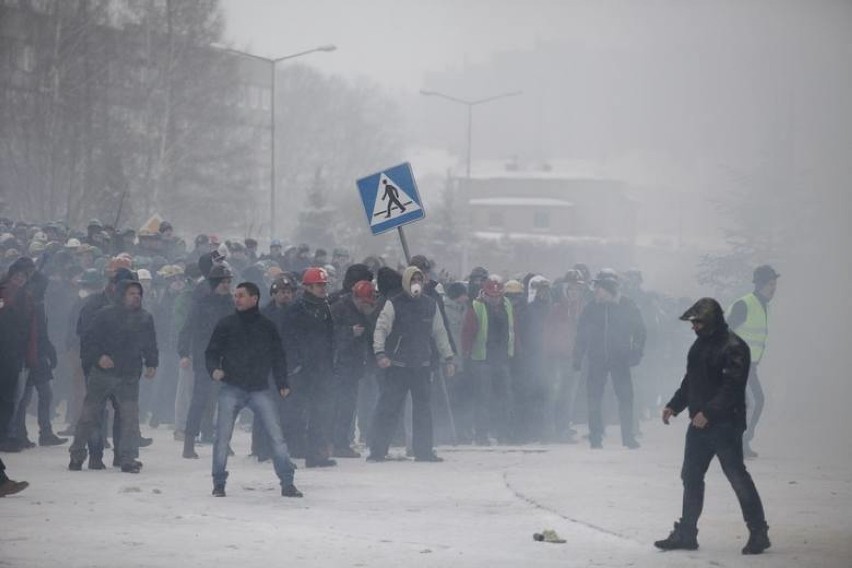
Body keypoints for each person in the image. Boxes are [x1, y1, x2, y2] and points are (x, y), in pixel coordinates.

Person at [655, 298, 770, 555]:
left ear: (710, 321)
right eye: (693, 322)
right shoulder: (699, 346)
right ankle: (686, 533)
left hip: (726, 425)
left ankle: (758, 532)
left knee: (737, 476)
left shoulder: (734, 347)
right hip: (699, 424)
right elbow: (691, 381)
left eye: (697, 322)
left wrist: (709, 412)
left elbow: (732, 387)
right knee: (691, 476)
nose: (693, 327)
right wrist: (674, 405)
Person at [204, 282, 301, 498]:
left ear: (254, 299)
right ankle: (218, 483)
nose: (236, 299)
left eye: (241, 295)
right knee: (222, 438)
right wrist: (214, 370)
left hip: (259, 388)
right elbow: (211, 352)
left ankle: (287, 483)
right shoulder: (226, 324)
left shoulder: (267, 326)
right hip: (231, 387)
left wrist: (282, 383)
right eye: (235, 295)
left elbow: (278, 356)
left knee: (277, 436)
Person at [69, 279, 158, 473]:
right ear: (121, 295)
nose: (136, 297)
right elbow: (89, 341)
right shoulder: (105, 315)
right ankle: (76, 455)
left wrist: (152, 363)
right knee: (88, 416)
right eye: (131, 293)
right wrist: (99, 357)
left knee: (130, 419)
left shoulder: (145, 318)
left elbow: (150, 343)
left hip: (129, 375)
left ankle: (127, 458)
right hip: (102, 374)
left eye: (138, 294)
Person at [368, 266, 455, 462]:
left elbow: (440, 333)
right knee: (388, 409)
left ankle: (423, 451)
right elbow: (381, 329)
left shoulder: (430, 305)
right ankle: (377, 450)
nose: (417, 283)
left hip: (421, 365)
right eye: (413, 279)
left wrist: (448, 357)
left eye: (420, 279)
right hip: (397, 366)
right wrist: (380, 353)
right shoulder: (394, 304)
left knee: (423, 410)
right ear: (406, 282)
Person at [573, 271, 645, 449]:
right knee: (594, 398)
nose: (596, 291)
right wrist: (578, 356)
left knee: (626, 397)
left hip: (620, 359)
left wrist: (636, 351)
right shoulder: (591, 307)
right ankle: (595, 437)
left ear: (609, 290)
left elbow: (640, 330)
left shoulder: (626, 305)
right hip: (596, 358)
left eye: (599, 288)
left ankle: (628, 437)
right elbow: (581, 333)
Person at [280, 266, 337, 467]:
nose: (322, 289)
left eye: (323, 285)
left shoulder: (325, 307)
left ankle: (315, 454)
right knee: (297, 413)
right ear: (308, 287)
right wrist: (295, 365)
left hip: (322, 370)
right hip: (302, 371)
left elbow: (330, 338)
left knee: (320, 413)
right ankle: (292, 452)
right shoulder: (296, 309)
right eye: (318, 285)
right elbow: (287, 339)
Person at [178, 263, 234, 459]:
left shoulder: (231, 304)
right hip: (205, 357)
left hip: (227, 357)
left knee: (227, 400)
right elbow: (188, 328)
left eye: (228, 281)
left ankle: (224, 442)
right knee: (200, 399)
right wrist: (184, 353)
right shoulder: (202, 303)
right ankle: (189, 442)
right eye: (223, 282)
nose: (226, 285)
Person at [726, 265, 779, 458]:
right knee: (755, 401)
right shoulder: (745, 304)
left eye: (775, 284)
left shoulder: (765, 306)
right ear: (761, 284)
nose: (774, 288)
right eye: (771, 284)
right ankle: (738, 442)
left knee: (748, 403)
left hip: (750, 365)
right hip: (738, 364)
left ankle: (738, 442)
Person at [461, 275, 515, 445]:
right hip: (482, 359)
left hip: (502, 359)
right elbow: (467, 333)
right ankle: (481, 434)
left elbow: (513, 329)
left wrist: (514, 350)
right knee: (483, 398)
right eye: (492, 295)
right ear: (485, 293)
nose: (495, 298)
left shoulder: (507, 305)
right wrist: (466, 354)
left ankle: (503, 432)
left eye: (498, 295)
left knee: (504, 398)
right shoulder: (476, 307)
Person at [330, 279, 377, 458]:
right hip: (340, 365)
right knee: (340, 405)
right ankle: (336, 442)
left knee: (348, 406)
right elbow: (329, 334)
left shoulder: (364, 313)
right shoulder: (339, 308)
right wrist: (349, 332)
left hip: (355, 366)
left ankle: (340, 442)